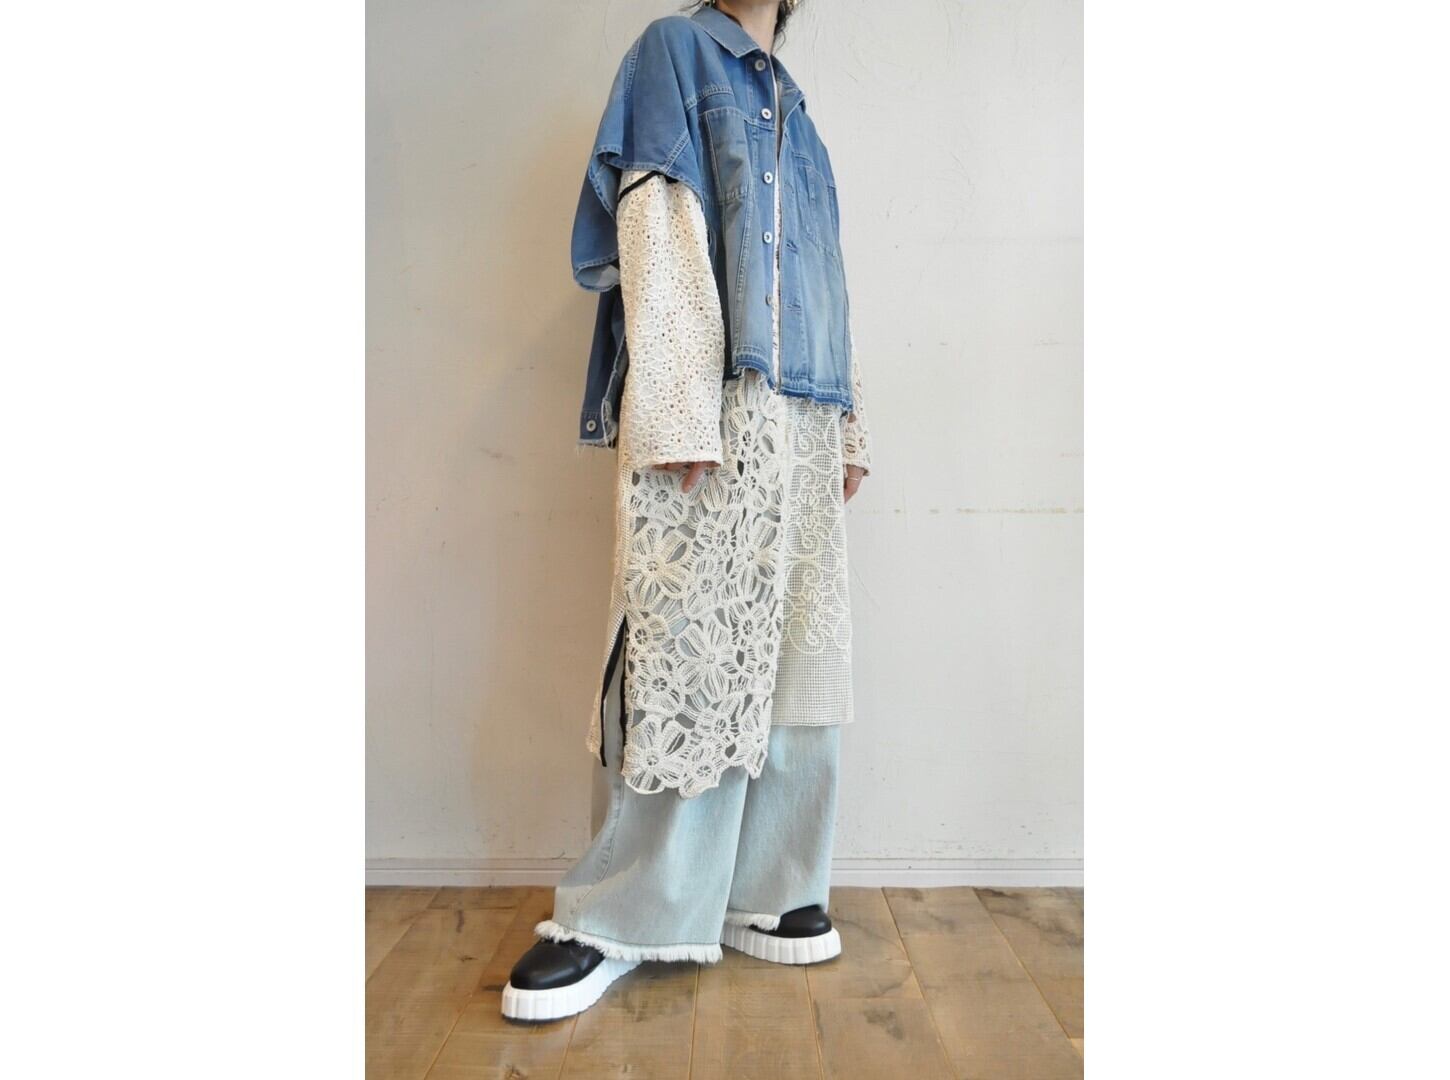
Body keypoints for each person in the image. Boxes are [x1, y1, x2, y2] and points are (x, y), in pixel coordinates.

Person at [502, 0, 873, 1022]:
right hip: (710, 401)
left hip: (800, 414)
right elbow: (658, 222)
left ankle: (770, 889)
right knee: (686, 652)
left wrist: (845, 428)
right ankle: (624, 912)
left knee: (795, 656)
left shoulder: (796, 108)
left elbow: (826, 278)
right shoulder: (674, 50)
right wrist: (673, 407)